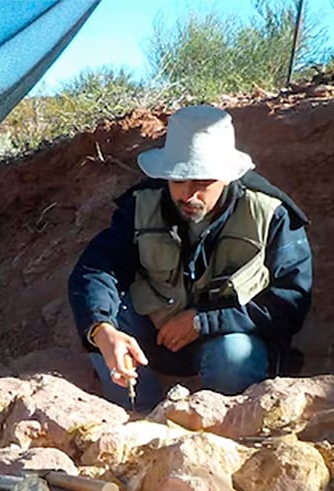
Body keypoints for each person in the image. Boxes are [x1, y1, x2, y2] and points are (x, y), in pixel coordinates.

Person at [68, 104, 313, 410]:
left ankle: (224, 428)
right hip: (156, 336)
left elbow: (290, 302)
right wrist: (102, 330)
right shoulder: (142, 205)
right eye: (178, 179)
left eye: (202, 182)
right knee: (103, 325)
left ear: (227, 176)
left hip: (228, 341)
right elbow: (98, 268)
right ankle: (138, 419)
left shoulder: (272, 215)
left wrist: (204, 321)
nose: (188, 194)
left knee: (234, 355)